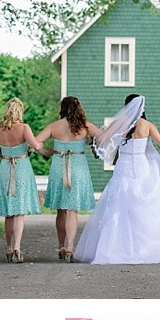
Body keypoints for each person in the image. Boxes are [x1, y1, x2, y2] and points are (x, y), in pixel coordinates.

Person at [74, 93, 160, 264]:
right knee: (143, 206)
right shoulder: (147, 125)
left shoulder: (119, 125)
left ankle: (116, 248)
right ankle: (144, 248)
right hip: (142, 167)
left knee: (120, 204)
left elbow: (100, 139)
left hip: (124, 167)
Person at [36, 96, 100, 262]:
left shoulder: (54, 126)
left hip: (59, 166)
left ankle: (62, 246)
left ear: (62, 108)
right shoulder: (85, 126)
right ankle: (70, 247)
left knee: (61, 209)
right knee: (72, 210)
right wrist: (94, 147)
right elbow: (102, 138)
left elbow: (36, 143)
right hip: (78, 167)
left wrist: (45, 152)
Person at [0, 97, 46, 263]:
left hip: (5, 168)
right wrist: (40, 146)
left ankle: (8, 248)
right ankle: (17, 246)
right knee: (19, 211)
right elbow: (37, 146)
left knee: (9, 211)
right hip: (21, 167)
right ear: (20, 111)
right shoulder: (24, 128)